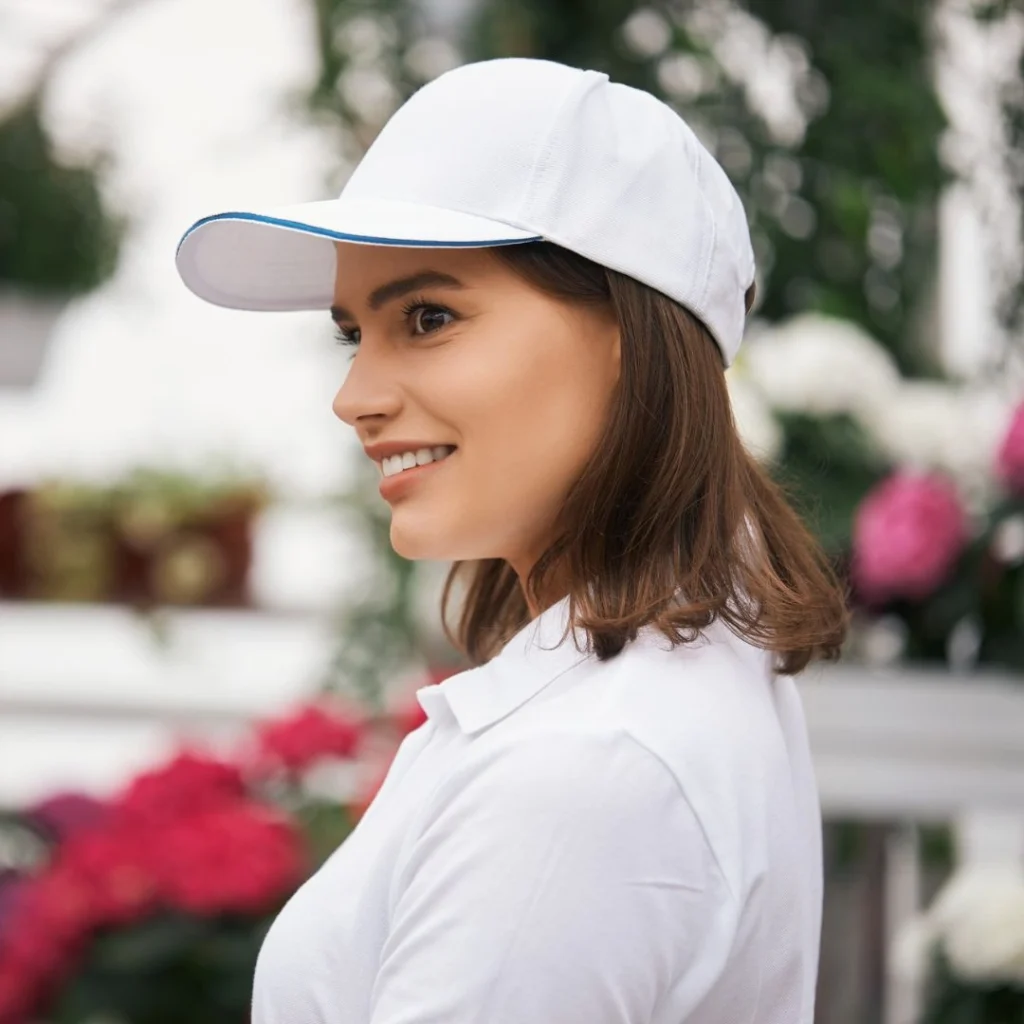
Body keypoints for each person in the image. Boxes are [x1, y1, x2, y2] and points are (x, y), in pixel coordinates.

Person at [175, 57, 848, 1024]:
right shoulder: (644, 699)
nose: (354, 397)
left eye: (428, 317)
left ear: (630, 331)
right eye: (350, 332)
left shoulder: (586, 771)